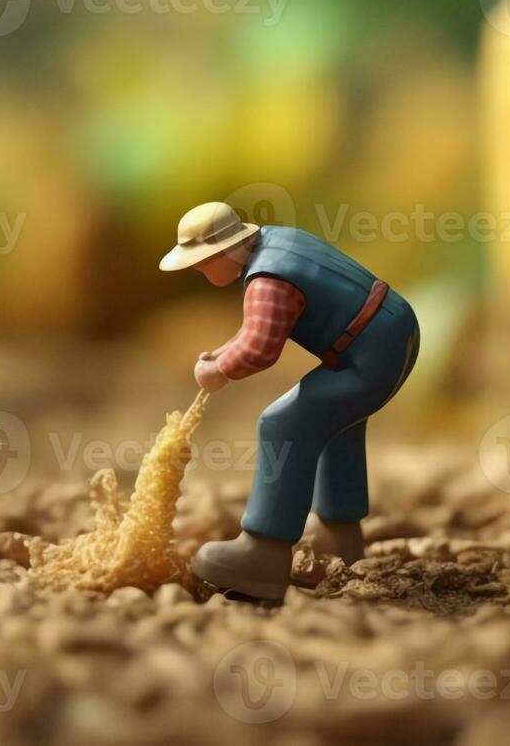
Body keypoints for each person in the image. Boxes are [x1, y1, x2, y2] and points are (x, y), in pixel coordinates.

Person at [159, 202, 420, 601]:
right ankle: (340, 535)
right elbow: (256, 329)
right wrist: (222, 352)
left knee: (283, 422)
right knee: (335, 422)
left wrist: (219, 370)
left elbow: (261, 347)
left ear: (223, 253)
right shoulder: (277, 242)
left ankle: (262, 551)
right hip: (392, 331)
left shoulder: (267, 279)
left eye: (202, 264)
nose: (200, 271)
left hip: (371, 354)